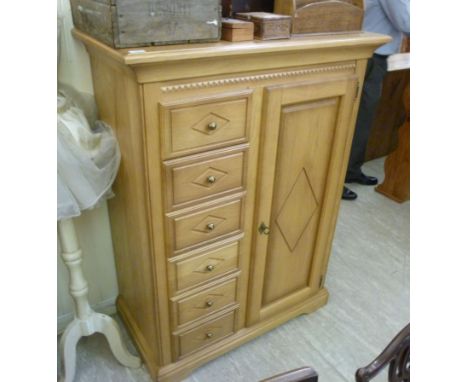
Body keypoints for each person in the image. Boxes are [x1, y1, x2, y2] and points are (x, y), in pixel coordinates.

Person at [342, 0, 410, 200]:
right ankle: (336, 180)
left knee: (363, 120)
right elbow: (406, 23)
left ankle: (351, 170)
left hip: (377, 55)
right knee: (353, 120)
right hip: (369, 55)